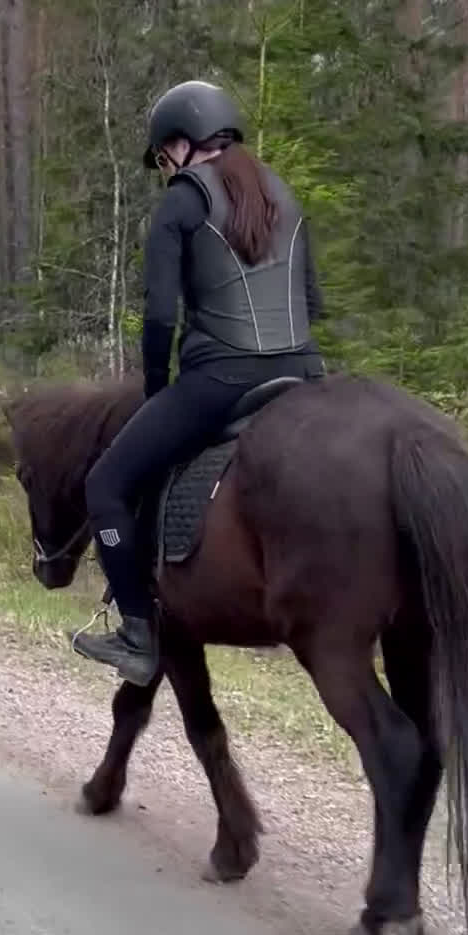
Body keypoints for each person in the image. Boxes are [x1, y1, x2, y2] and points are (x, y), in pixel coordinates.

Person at [74, 79, 326, 686]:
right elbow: (313, 301)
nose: (165, 169)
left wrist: (157, 390)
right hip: (304, 370)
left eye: (163, 158)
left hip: (222, 378)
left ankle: (137, 632)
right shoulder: (282, 194)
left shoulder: (182, 203)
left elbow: (161, 315)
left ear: (183, 144)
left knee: (105, 483)